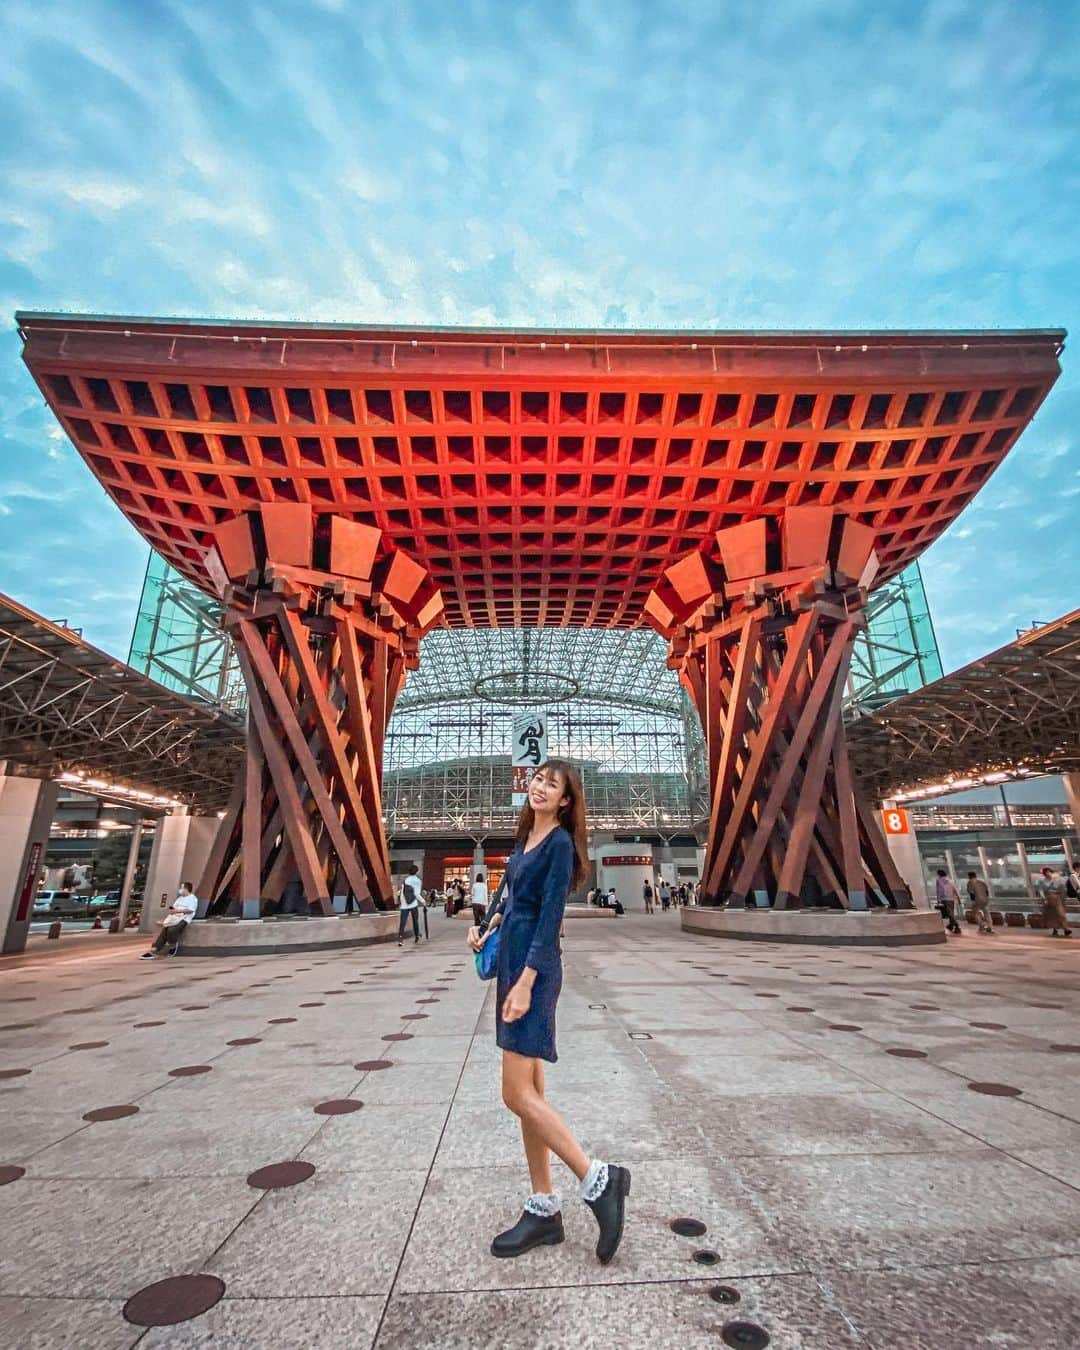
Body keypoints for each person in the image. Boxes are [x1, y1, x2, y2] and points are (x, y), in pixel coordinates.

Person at [468, 759, 631, 1265]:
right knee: (531, 1092)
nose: (539, 787)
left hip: (533, 972)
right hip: (513, 958)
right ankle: (544, 1208)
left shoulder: (559, 843)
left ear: (566, 800)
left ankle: (599, 1179)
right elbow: (512, 893)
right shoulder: (527, 836)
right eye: (537, 779)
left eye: (552, 784)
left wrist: (526, 983)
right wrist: (489, 925)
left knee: (514, 1092)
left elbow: (551, 918)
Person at [141, 882, 197, 958]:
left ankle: (173, 945)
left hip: (184, 918)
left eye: (182, 888)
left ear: (186, 889)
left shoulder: (192, 898)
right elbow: (173, 907)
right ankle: (155, 950)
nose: (180, 889)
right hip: (174, 917)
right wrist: (172, 910)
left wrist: (178, 911)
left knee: (172, 930)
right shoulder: (179, 899)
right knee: (165, 929)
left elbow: (191, 910)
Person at [1037, 867, 1073, 937]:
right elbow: (1040, 890)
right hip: (1048, 899)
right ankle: (1055, 929)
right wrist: (1044, 899)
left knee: (1061, 914)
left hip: (1057, 898)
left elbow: (1063, 889)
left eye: (1049, 872)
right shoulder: (1042, 881)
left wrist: (1064, 898)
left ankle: (1066, 929)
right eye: (1046, 872)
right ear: (1044, 874)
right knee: (1052, 915)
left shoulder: (1058, 880)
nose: (1048, 874)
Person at [397, 864, 422, 945]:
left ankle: (400, 938)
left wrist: (401, 902)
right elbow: (417, 894)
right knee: (415, 920)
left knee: (403, 922)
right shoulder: (417, 881)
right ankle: (417, 936)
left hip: (404, 905)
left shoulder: (405, 880)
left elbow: (401, 893)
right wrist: (423, 901)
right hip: (413, 904)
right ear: (416, 871)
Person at [934, 869, 962, 934]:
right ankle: (951, 926)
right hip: (952, 899)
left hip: (945, 899)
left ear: (939, 874)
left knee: (950, 914)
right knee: (951, 913)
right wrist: (958, 898)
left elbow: (939, 891)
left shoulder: (938, 881)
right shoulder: (950, 880)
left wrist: (938, 900)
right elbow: (955, 889)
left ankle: (957, 926)